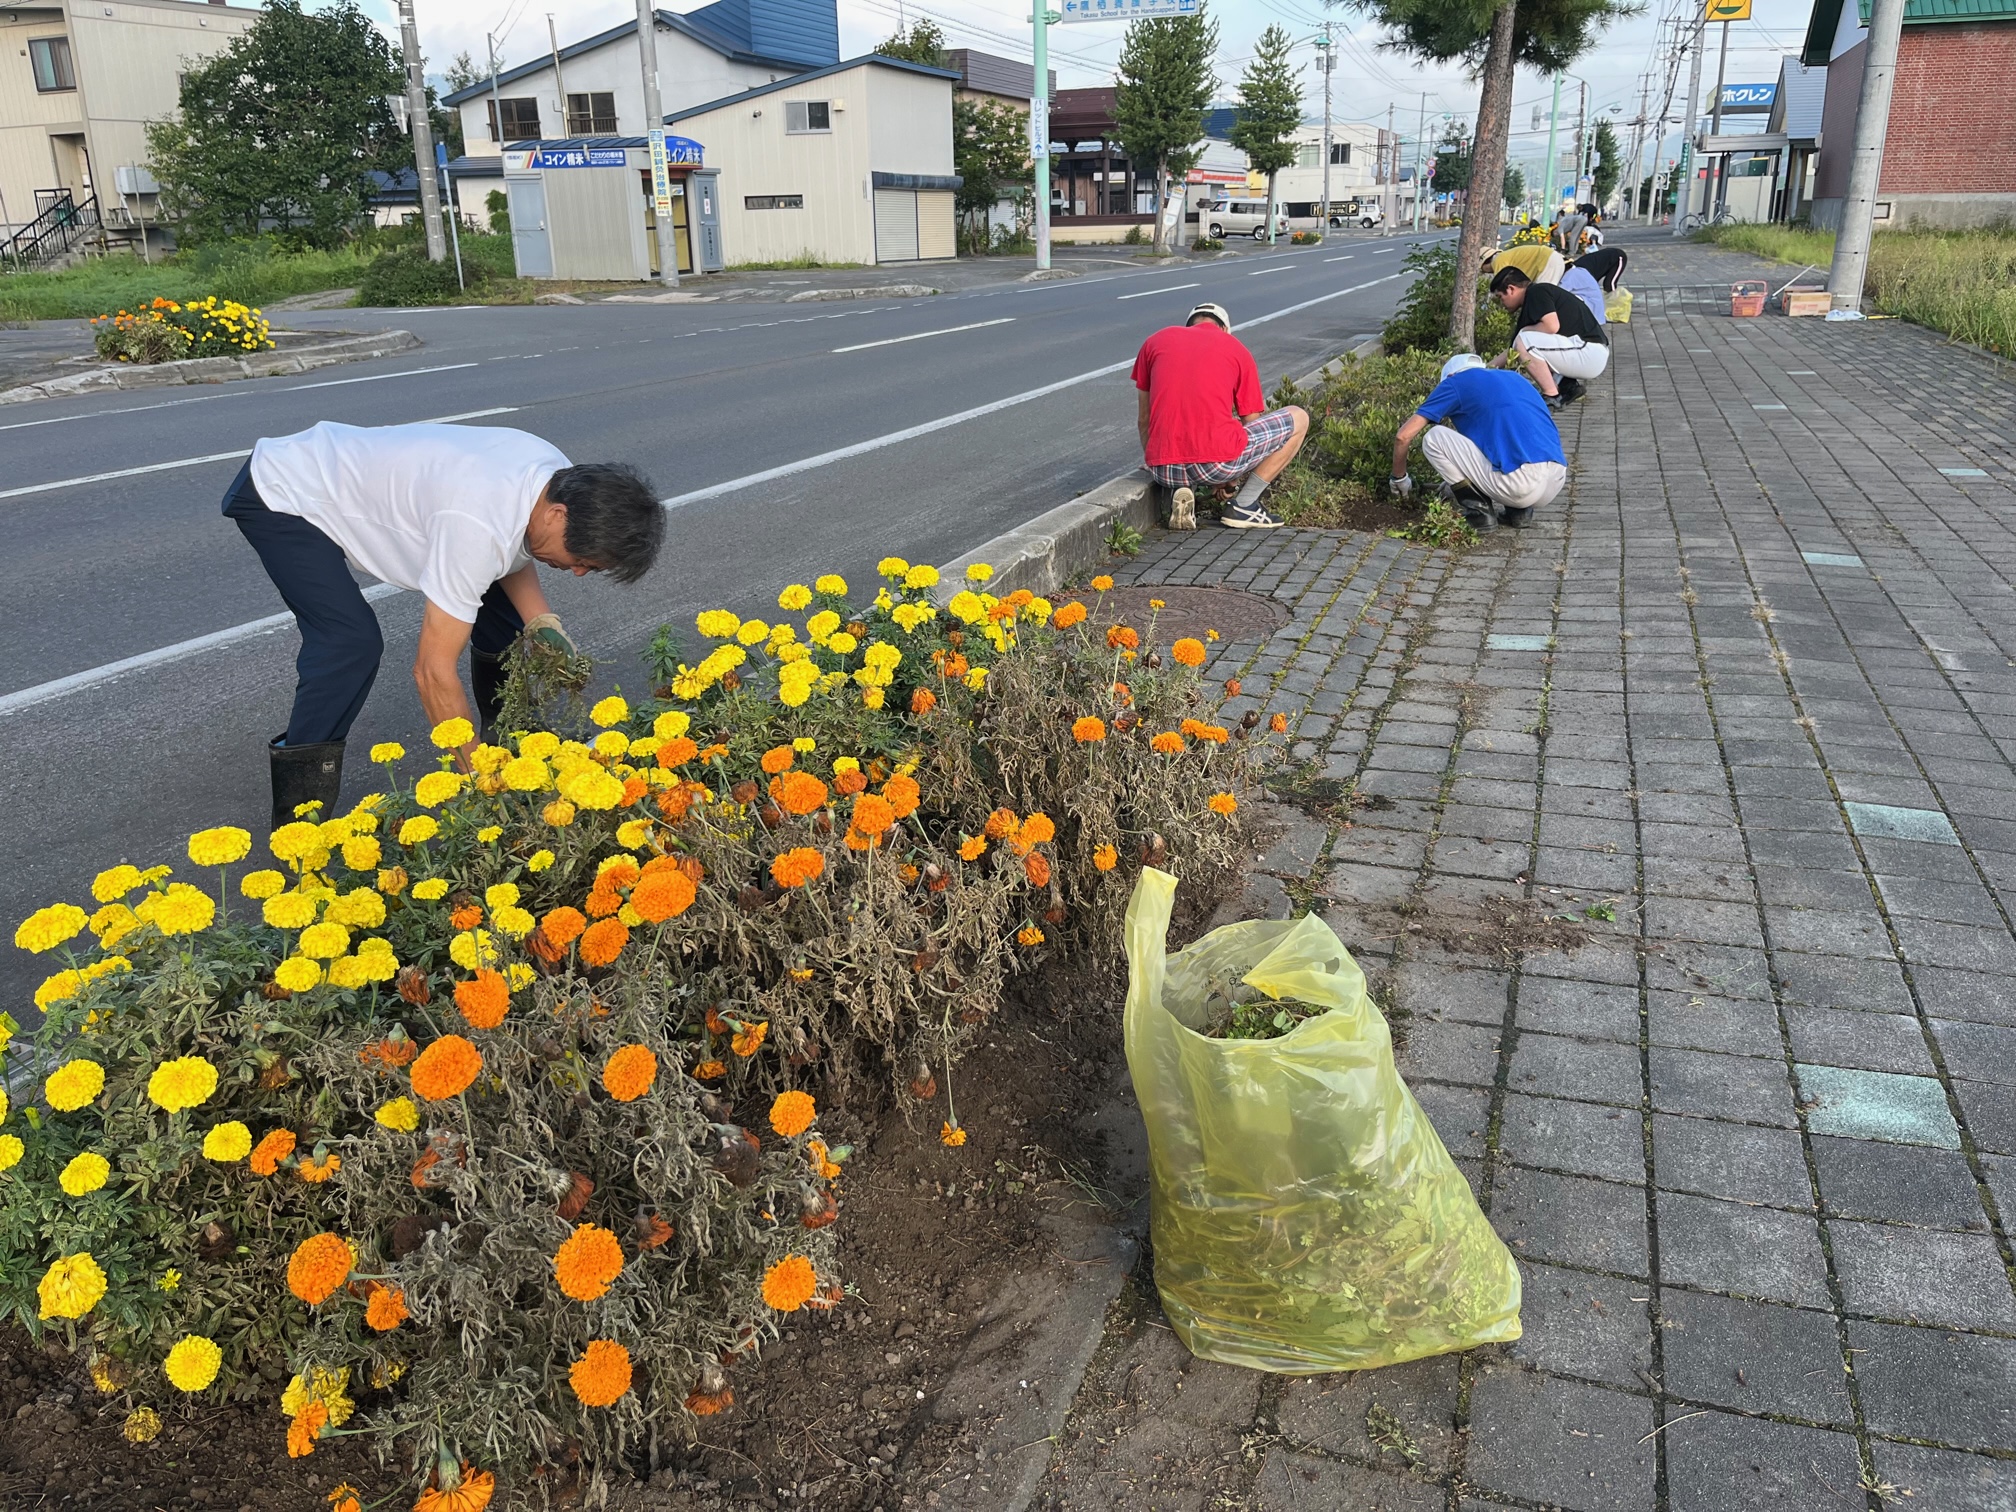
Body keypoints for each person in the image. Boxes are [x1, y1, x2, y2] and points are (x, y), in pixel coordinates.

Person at [226, 421, 664, 829]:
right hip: (284, 492)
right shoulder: (475, 522)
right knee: (347, 644)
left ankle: (510, 741)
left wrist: (540, 621)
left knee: (504, 618)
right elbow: (432, 672)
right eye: (583, 561)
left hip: (362, 480)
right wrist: (479, 785)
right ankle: (300, 824)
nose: (580, 572)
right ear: (558, 515)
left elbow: (510, 549)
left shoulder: (553, 478)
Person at [1133, 302, 1308, 529]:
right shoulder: (1235, 347)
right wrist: (1230, 480)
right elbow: (1251, 424)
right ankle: (1245, 505)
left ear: (1189, 325)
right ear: (1224, 329)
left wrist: (1153, 460)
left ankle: (1183, 490)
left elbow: (1144, 420)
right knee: (1299, 417)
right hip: (1216, 466)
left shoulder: (1154, 342)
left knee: (1182, 426)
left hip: (1163, 470)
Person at [1388, 353, 1567, 531]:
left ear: (1450, 375)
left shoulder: (1455, 382)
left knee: (1433, 438)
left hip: (1521, 485)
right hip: (1555, 480)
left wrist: (1399, 478)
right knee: (1512, 443)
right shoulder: (1514, 378)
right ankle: (1519, 512)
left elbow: (1403, 436)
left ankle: (1480, 514)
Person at [1489, 266, 1610, 407]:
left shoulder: (1537, 291)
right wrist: (1485, 369)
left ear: (1511, 289)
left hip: (1590, 351)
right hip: (1586, 352)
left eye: (1500, 297)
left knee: (1526, 341)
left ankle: (1551, 394)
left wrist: (1525, 331)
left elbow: (1551, 326)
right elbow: (1513, 351)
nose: (1501, 304)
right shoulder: (1531, 300)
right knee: (1524, 341)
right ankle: (1568, 387)